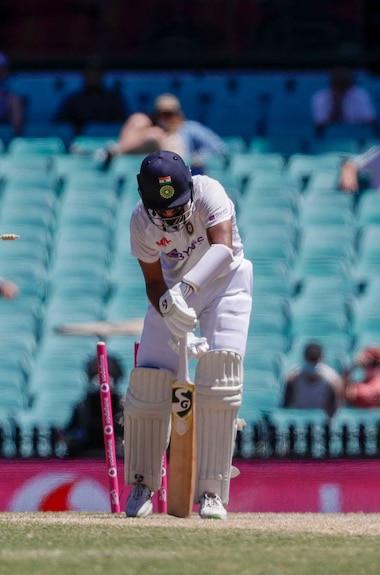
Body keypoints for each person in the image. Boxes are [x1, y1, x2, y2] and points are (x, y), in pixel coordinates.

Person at [123, 150, 253, 520]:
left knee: (221, 377)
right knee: (149, 382)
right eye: (159, 208)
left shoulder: (210, 190)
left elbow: (224, 249)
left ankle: (212, 492)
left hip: (226, 285)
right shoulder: (139, 221)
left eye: (175, 205)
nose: (168, 214)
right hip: (173, 292)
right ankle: (142, 483)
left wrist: (186, 291)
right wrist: (168, 304)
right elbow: (152, 281)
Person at [114, 93, 227, 173]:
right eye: (159, 114)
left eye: (168, 114)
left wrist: (198, 157)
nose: (163, 118)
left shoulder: (190, 128)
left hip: (185, 175)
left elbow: (218, 147)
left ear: (177, 113)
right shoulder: (153, 131)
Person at [64, 353, 124, 458]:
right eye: (95, 374)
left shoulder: (124, 407)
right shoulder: (82, 407)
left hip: (117, 458)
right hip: (86, 457)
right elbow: (72, 433)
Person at [52, 56, 128, 136]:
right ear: (84, 73)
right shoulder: (74, 100)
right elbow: (59, 125)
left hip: (109, 143)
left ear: (102, 74)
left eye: (96, 71)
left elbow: (123, 125)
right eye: (89, 71)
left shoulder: (113, 100)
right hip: (80, 145)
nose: (93, 75)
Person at [282, 342, 344, 418]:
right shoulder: (294, 375)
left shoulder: (331, 377)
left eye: (315, 359)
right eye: (310, 358)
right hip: (300, 416)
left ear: (321, 358)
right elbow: (287, 402)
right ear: (305, 357)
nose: (312, 362)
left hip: (322, 417)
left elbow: (338, 403)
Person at [311, 67, 376, 135]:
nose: (341, 90)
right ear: (332, 85)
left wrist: (355, 124)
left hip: (355, 133)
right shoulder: (319, 97)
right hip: (330, 135)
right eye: (338, 86)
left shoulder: (359, 94)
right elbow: (320, 123)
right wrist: (336, 104)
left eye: (344, 86)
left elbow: (370, 119)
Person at [0, 53, 24, 137]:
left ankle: (16, 140)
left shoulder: (11, 87)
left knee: (15, 101)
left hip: (4, 112)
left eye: (2, 69)